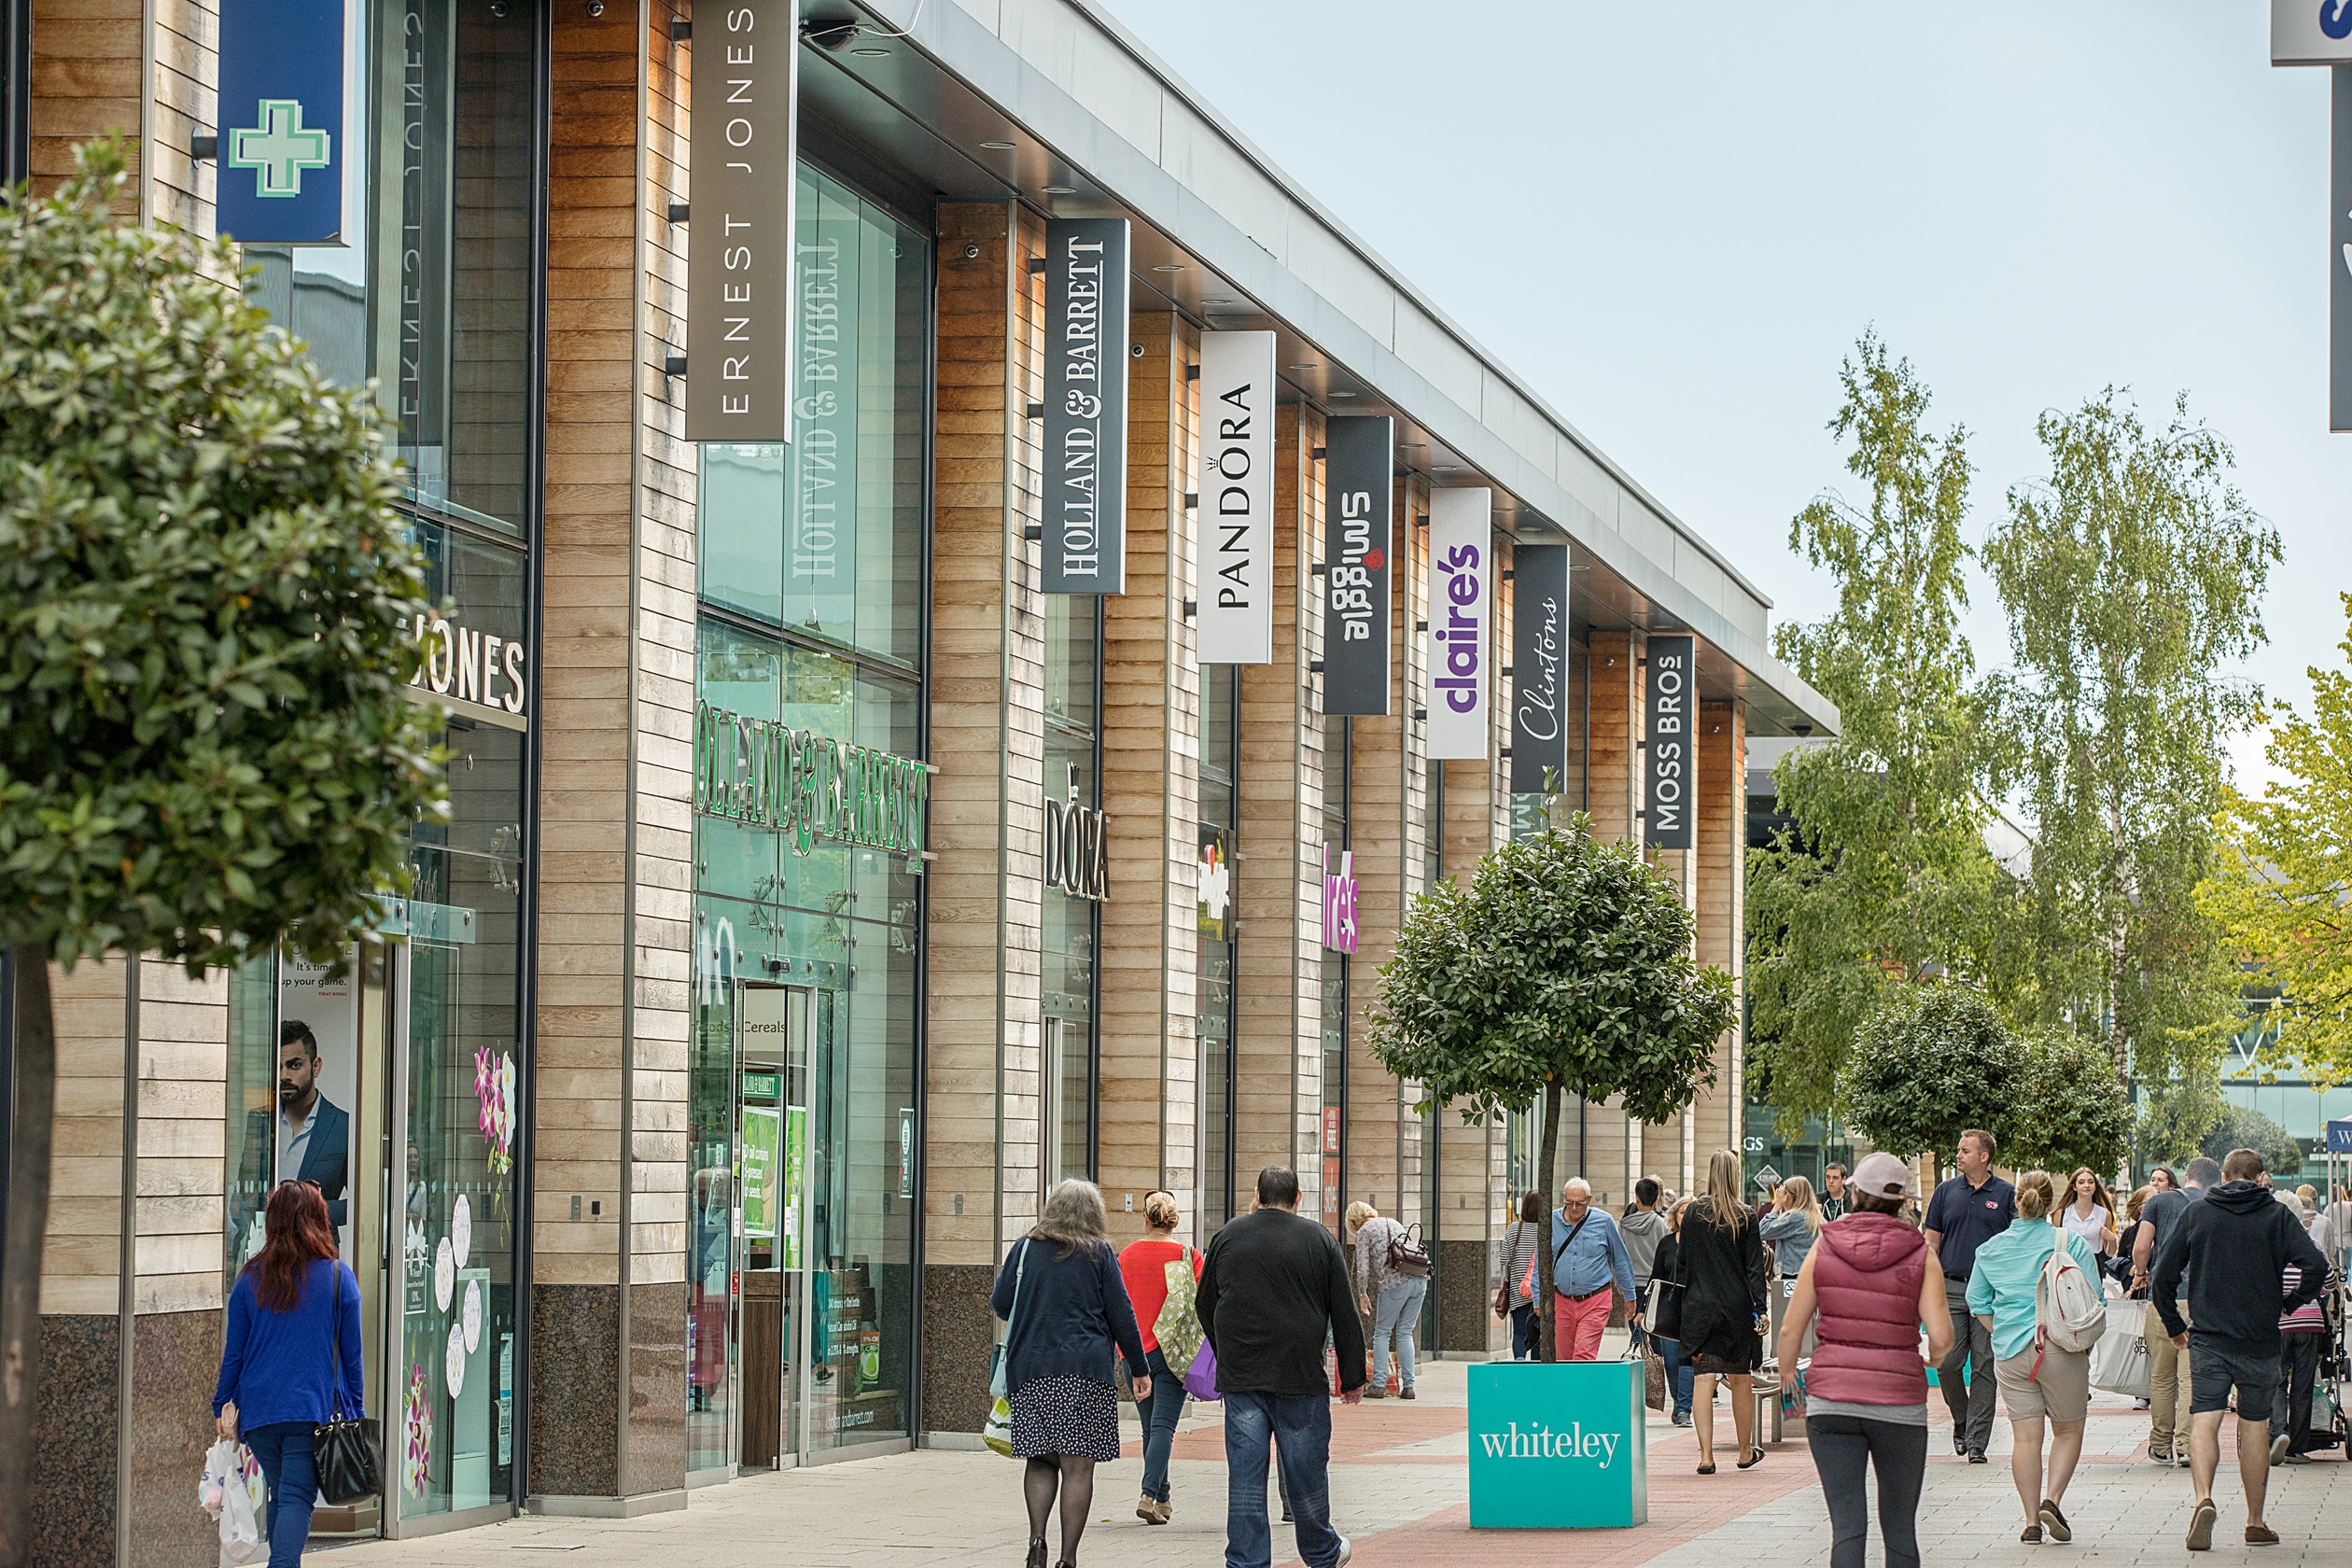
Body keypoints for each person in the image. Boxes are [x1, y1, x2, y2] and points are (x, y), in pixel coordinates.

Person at [1777, 1152, 1950, 1568]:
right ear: (1902, 1201)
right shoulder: (1920, 1253)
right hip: (1899, 1405)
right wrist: (1931, 1359)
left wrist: (1790, 1385)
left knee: (1848, 1528)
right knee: (1900, 1530)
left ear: (1855, 1192)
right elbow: (1942, 1337)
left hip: (1830, 1403)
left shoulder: (1825, 1244)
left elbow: (1789, 1331)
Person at [2153, 1147, 2329, 1550]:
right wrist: (2289, 1302)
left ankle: (2203, 1499)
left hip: (2209, 1339)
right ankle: (2254, 1521)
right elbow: (2316, 1267)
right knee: (2253, 1426)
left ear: (2223, 1178)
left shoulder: (2197, 1213)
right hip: (2261, 1339)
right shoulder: (2277, 1215)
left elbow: (2162, 1274)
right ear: (2261, 1177)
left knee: (2205, 1420)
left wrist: (2176, 1325)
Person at [1197, 1166, 1365, 1568]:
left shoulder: (1227, 1237)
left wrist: (1227, 1353)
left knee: (1246, 1478)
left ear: (1257, 1195)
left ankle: (1247, 1560)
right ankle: (1322, 1552)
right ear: (1299, 1196)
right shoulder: (1320, 1240)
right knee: (1306, 1473)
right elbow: (1344, 1311)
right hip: (1299, 1376)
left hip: (1243, 1379)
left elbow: (1205, 1305)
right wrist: (1353, 1376)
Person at [990, 1179, 1151, 1568]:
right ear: (1094, 1213)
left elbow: (1000, 1303)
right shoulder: (1099, 1253)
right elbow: (1122, 1315)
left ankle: (1037, 1541)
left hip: (1030, 1370)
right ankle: (1068, 1558)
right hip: (1085, 1372)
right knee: (1078, 1468)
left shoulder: (1025, 1247)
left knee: (1041, 1460)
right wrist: (1139, 1369)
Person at [212, 1180, 364, 1568]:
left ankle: (283, 1561)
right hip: (310, 1409)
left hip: (259, 1412)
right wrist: (355, 1411)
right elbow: (352, 1357)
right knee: (297, 1495)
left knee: (284, 1492)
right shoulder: (337, 1278)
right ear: (318, 1219)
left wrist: (222, 1403)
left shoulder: (249, 1278)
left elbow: (235, 1352)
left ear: (273, 1222)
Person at [1966, 1170, 2102, 1544]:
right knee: (2069, 1429)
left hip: (2011, 1353)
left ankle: (2030, 1523)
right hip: (2060, 1347)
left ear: (2016, 1201)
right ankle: (2052, 1500)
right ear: (2050, 1200)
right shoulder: (2069, 1242)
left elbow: (1976, 1300)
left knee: (2025, 1439)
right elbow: (2096, 1300)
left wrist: (2002, 1330)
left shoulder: (1990, 1249)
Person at [1921, 1127, 2014, 1463]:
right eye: (1958, 1150)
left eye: (1964, 1151)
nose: (1958, 1155)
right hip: (1951, 1288)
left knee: (1985, 1367)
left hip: (1990, 1293)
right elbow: (1932, 1241)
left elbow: (2013, 1245)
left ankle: (1976, 1442)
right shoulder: (1945, 1192)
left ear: (1984, 1156)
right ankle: (1961, 1420)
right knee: (1947, 1363)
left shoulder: (2006, 1194)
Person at [1679, 1150, 1769, 1473]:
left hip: (1698, 1307)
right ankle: (1745, 1451)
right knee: (1740, 1378)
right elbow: (1755, 1269)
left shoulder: (1692, 1214)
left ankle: (1706, 1456)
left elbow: (1683, 1263)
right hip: (1735, 1308)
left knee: (1704, 1379)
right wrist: (1761, 1309)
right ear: (1735, 1174)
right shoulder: (1746, 1215)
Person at [1118, 1190, 1203, 1524]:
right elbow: (1204, 1301)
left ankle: (1163, 1498)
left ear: (1145, 1218)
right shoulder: (1188, 1255)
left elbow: (1115, 1305)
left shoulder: (1126, 1256)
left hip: (1134, 1356)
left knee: (1150, 1428)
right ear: (1175, 1222)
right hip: (1174, 1355)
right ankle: (1148, 1494)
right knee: (1163, 1428)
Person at [2135, 1154, 2219, 1467]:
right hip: (2201, 1302)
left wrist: (2141, 1270)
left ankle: (2159, 1444)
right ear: (2214, 1183)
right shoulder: (2215, 1207)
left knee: (2161, 1376)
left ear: (2185, 1177)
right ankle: (2185, 1447)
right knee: (2190, 1378)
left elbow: (2142, 1246)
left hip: (2163, 1300)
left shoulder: (2158, 1202)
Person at [242, 1021, 351, 1230]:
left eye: (294, 1065)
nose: (284, 1076)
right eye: (278, 1067)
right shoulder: (260, 1119)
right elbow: (244, 1190)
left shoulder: (343, 1126)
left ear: (316, 1066)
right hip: (264, 1246)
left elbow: (363, 1202)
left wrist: (311, 1212)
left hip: (316, 1250)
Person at [1545, 1177, 1640, 1362]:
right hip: (1561, 1300)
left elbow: (1620, 1259)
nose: (1573, 1208)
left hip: (1595, 1299)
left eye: (1579, 1203)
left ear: (1588, 1200)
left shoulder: (1604, 1221)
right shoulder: (1551, 1221)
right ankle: (1570, 1391)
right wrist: (1537, 1295)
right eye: (1569, 1202)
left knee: (1583, 1356)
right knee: (1563, 1358)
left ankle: (1581, 1391)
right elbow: (1541, 1260)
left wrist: (1629, 1296)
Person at [1345, 1200, 1424, 1400]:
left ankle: (1379, 1385)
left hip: (1394, 1283)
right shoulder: (1393, 1222)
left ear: (1354, 1222)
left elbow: (1363, 1269)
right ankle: (1409, 1387)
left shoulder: (1364, 1232)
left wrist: (1362, 1294)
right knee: (1405, 1332)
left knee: (1382, 1332)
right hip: (1419, 1279)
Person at [2271, 1204, 2329, 1467]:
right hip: (2310, 1321)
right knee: (2303, 1386)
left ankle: (2278, 1434)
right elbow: (2327, 1283)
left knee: (2277, 1381)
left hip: (2279, 1322)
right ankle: (2297, 1447)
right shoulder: (2312, 1244)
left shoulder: (2270, 1245)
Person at [1649, 1197, 1696, 1426]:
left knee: (1687, 1359)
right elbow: (1656, 1277)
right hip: (1669, 1309)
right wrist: (1643, 1310)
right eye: (1682, 1212)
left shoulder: (1702, 1244)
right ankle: (1678, 1401)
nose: (1685, 1217)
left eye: (1691, 1213)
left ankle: (1685, 1409)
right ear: (1674, 1216)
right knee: (1671, 1361)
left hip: (1695, 1308)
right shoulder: (1666, 1243)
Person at [1620, 1178, 1671, 1355]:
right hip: (1655, 1286)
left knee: (1636, 1334)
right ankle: (1655, 1373)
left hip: (1631, 1286)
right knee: (1656, 1336)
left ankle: (1638, 1370)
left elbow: (1619, 1257)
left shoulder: (1624, 1226)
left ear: (1637, 1198)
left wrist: (1621, 1285)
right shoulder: (1662, 1225)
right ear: (1657, 1200)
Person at [1493, 1190, 1544, 1360]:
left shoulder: (1515, 1228)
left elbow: (1504, 1259)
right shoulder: (1547, 1230)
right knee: (1539, 1331)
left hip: (1518, 1290)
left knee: (1520, 1331)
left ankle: (1519, 1363)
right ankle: (1537, 1368)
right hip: (1540, 1291)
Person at [2059, 1168, 2116, 1259]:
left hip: (2095, 1265)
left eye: (2090, 1182)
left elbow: (2109, 1253)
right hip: (2068, 1265)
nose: (2087, 1185)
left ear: (2095, 1187)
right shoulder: (2061, 1214)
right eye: (2081, 1182)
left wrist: (2112, 1240)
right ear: (2074, 1187)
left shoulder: (2105, 1214)